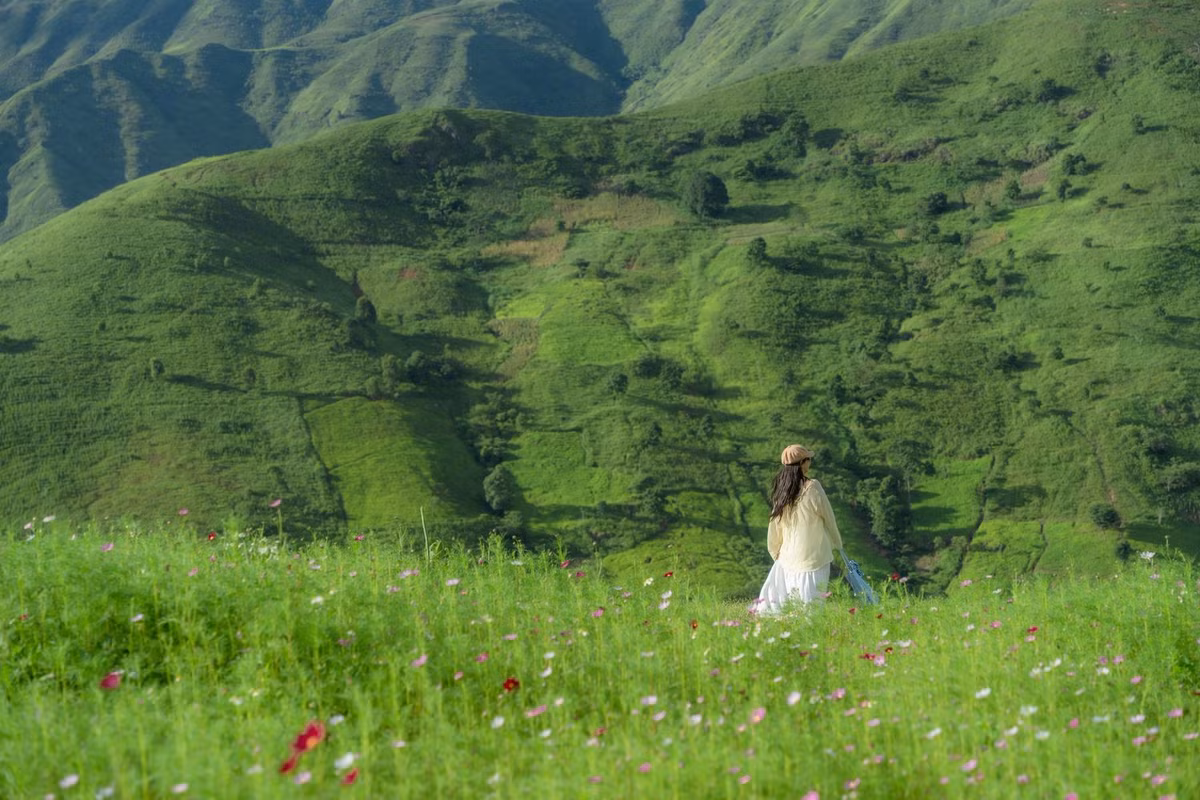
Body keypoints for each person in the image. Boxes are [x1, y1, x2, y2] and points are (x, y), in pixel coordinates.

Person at [753, 444, 844, 613]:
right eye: (808, 459)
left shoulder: (782, 491)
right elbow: (829, 518)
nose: (810, 463)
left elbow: (774, 527)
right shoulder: (813, 487)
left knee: (790, 610)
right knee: (811, 611)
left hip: (787, 559)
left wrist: (776, 553)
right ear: (803, 463)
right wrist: (838, 545)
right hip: (813, 558)